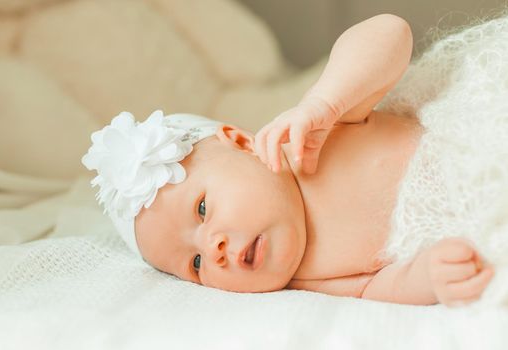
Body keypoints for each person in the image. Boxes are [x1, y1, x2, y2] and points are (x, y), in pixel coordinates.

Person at [82, 14, 496, 306]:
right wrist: (430, 276)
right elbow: (379, 288)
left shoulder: (314, 138)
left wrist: (325, 101)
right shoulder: (305, 278)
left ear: (241, 142)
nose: (214, 249)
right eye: (194, 264)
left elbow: (390, 33)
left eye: (203, 209)